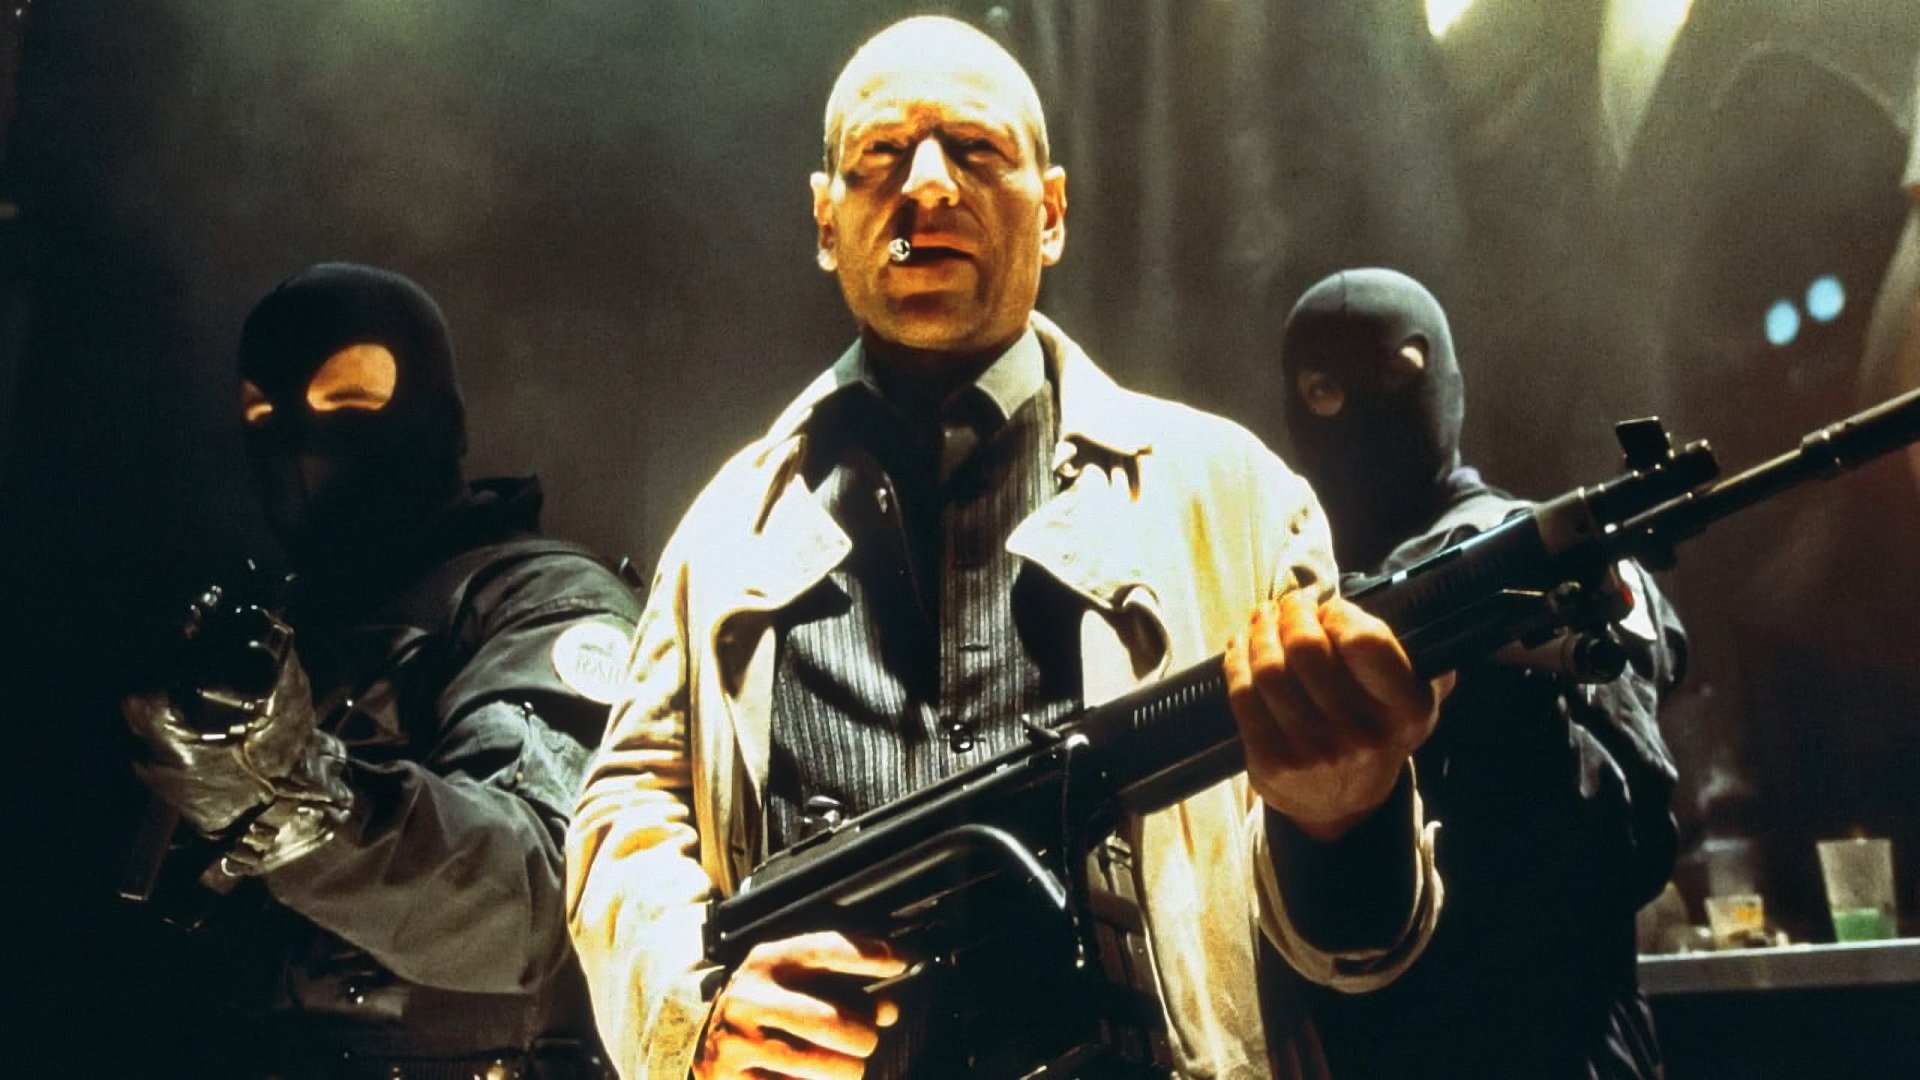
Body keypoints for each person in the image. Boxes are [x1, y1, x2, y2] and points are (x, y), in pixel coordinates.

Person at [566, 17, 1451, 1080]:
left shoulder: (1231, 496)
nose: (927, 188)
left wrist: (1343, 818)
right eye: (879, 157)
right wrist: (693, 1012)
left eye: (977, 150)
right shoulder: (724, 531)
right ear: (826, 223)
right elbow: (624, 815)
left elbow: (1354, 947)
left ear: (1054, 212)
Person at [119, 262, 641, 1078]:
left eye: (348, 396)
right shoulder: (283, 629)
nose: (297, 437)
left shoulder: (538, 603)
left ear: (445, 417)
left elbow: (545, 888)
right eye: (261, 411)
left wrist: (294, 800)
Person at [1274, 266, 1686, 1077]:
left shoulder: (1534, 553)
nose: (1362, 413)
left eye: (1396, 373)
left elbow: (1623, 836)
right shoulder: (1301, 590)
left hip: (1551, 1036)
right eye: (1324, 390)